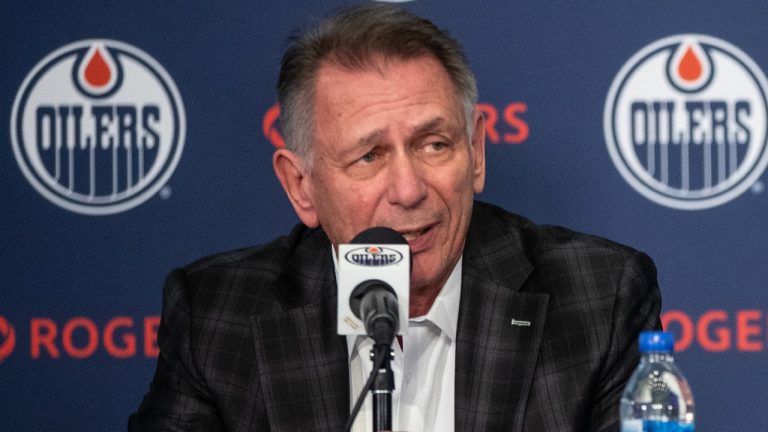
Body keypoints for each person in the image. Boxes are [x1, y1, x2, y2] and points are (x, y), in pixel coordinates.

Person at [129, 4, 661, 431]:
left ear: (476, 153)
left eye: (434, 145)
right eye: (369, 156)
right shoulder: (218, 317)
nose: (408, 191)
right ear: (301, 186)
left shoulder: (598, 297)